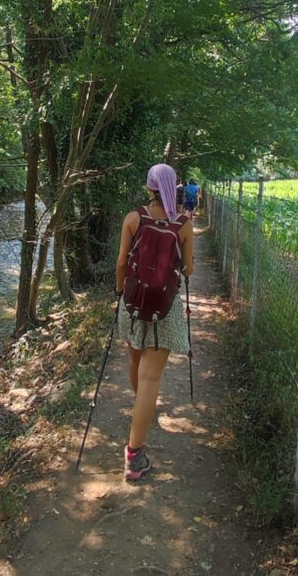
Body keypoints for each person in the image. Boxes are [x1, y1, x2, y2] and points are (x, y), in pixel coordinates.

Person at [115, 163, 194, 481]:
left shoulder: (134, 218)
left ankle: (140, 415)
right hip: (165, 309)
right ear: (173, 188)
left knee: (136, 359)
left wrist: (121, 290)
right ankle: (134, 455)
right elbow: (188, 270)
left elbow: (122, 262)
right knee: (151, 379)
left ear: (149, 188)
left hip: (132, 304)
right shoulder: (184, 225)